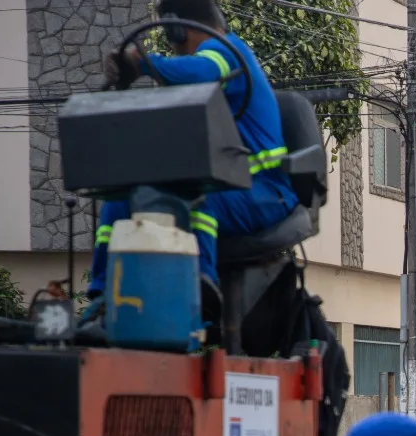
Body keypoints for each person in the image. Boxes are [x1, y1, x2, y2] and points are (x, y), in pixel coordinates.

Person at [87, 0, 298, 320]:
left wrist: (142, 62)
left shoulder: (228, 50)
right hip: (228, 186)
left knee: (198, 201)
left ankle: (203, 289)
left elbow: (202, 71)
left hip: (266, 190)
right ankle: (104, 295)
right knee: (122, 200)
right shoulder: (198, 86)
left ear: (177, 29)